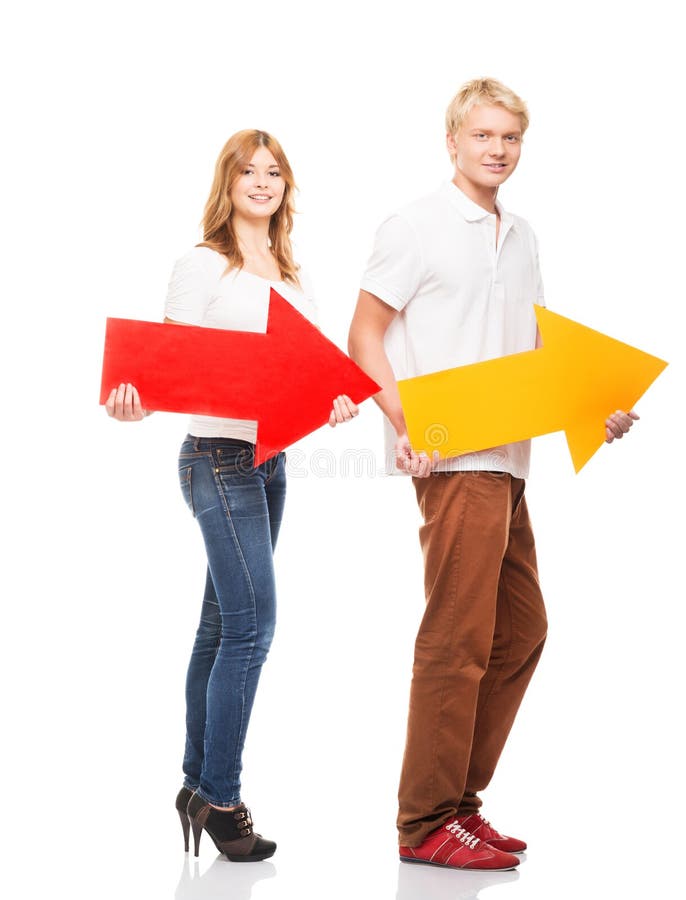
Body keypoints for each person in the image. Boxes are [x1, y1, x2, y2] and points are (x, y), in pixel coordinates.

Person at [348, 78, 638, 872]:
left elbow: (537, 356)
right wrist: (408, 425)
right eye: (482, 136)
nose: (497, 150)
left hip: (510, 459)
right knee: (457, 638)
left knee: (519, 630)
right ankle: (425, 821)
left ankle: (458, 805)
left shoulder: (525, 234)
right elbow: (363, 336)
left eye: (509, 137)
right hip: (453, 455)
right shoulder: (414, 226)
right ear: (452, 142)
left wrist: (594, 409)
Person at [106, 129, 358, 862]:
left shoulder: (290, 273)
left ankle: (196, 783)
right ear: (227, 183)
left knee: (221, 629)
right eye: (247, 170)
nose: (261, 181)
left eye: (273, 171)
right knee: (253, 629)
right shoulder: (202, 267)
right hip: (217, 460)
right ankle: (221, 796)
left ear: (286, 185)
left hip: (270, 462)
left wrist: (333, 403)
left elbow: (300, 379)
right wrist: (136, 400)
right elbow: (172, 367)